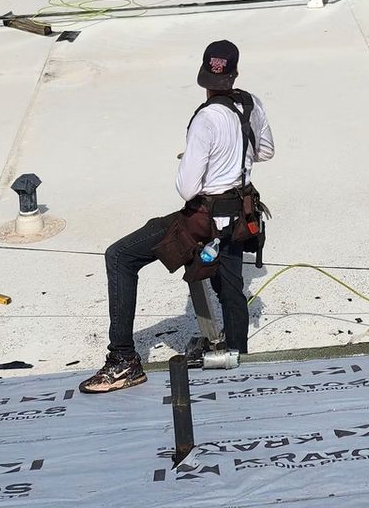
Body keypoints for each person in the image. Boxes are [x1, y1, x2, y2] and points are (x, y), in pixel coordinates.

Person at [80, 39, 275, 393]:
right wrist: (233, 161)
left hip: (206, 216)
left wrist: (191, 159)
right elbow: (265, 151)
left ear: (204, 78)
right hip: (240, 215)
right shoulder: (250, 103)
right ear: (234, 74)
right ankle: (235, 356)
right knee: (231, 282)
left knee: (120, 256)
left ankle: (123, 360)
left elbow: (187, 189)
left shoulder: (205, 120)